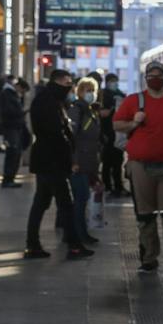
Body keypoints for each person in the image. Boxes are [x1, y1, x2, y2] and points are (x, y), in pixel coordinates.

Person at [113, 60, 163, 273]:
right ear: (145, 78)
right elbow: (116, 124)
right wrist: (134, 123)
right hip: (140, 166)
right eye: (151, 75)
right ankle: (148, 260)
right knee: (145, 215)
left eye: (158, 75)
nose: (155, 79)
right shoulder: (133, 101)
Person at [24, 67, 92, 260]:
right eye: (67, 83)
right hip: (51, 160)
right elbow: (54, 133)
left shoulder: (51, 100)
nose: (69, 87)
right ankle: (74, 245)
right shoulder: (48, 102)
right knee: (66, 203)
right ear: (57, 82)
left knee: (41, 202)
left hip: (47, 159)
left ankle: (33, 244)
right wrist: (68, 155)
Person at [67, 75, 102, 246]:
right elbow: (72, 137)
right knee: (80, 199)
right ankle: (78, 235)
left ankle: (80, 233)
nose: (91, 94)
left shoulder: (89, 109)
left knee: (83, 198)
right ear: (80, 92)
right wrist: (74, 161)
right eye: (88, 90)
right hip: (79, 162)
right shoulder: (77, 109)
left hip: (88, 161)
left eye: (93, 91)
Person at [98, 76, 128, 197]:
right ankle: (107, 186)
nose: (114, 84)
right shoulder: (103, 95)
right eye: (112, 82)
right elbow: (102, 114)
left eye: (116, 81)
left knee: (117, 161)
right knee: (107, 162)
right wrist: (112, 108)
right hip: (107, 133)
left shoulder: (120, 94)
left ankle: (118, 186)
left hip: (118, 133)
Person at [0, 77, 27, 186]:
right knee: (12, 153)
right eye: (22, 90)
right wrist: (21, 112)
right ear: (18, 86)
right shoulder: (8, 94)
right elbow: (9, 111)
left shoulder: (10, 94)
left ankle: (10, 178)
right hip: (11, 128)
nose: (22, 93)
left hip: (13, 127)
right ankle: (8, 179)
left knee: (15, 153)